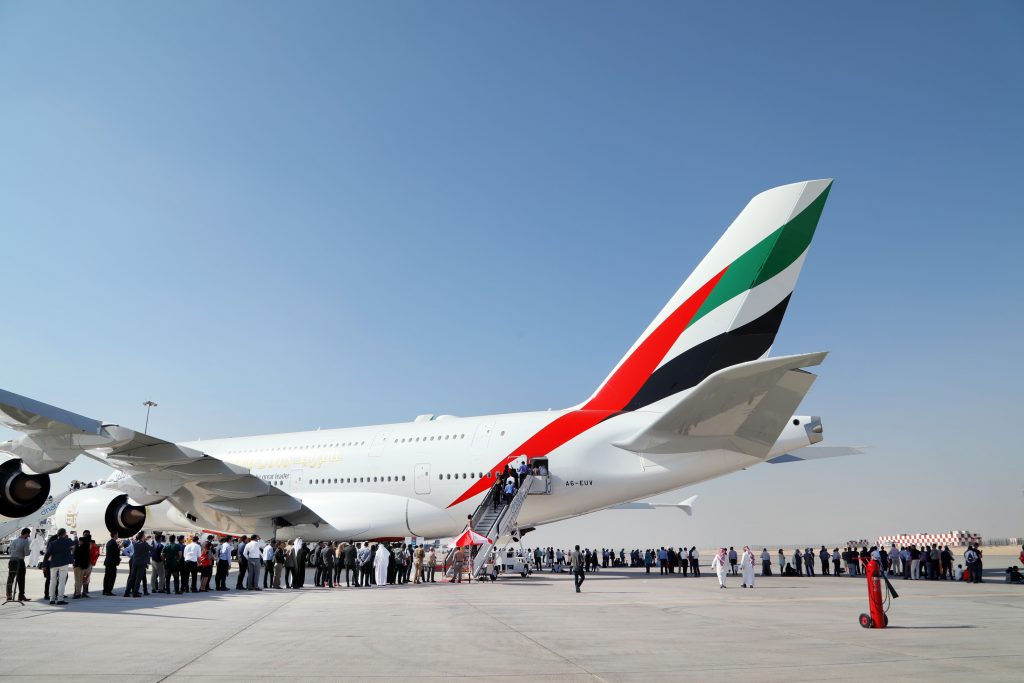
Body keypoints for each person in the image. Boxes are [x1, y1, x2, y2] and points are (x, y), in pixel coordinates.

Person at [5, 528, 31, 602]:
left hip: (12, 560)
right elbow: (26, 553)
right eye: (28, 534)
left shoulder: (14, 541)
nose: (28, 536)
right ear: (25, 534)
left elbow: (9, 551)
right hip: (20, 561)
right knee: (21, 579)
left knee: (10, 578)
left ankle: (9, 595)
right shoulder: (25, 542)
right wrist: (30, 550)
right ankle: (21, 595)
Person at [72, 532, 92, 599]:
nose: (79, 542)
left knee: (77, 580)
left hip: (77, 566)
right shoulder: (87, 548)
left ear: (82, 541)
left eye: (80, 541)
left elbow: (74, 556)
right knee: (82, 580)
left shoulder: (78, 548)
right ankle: (81, 592)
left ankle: (77, 593)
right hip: (84, 566)